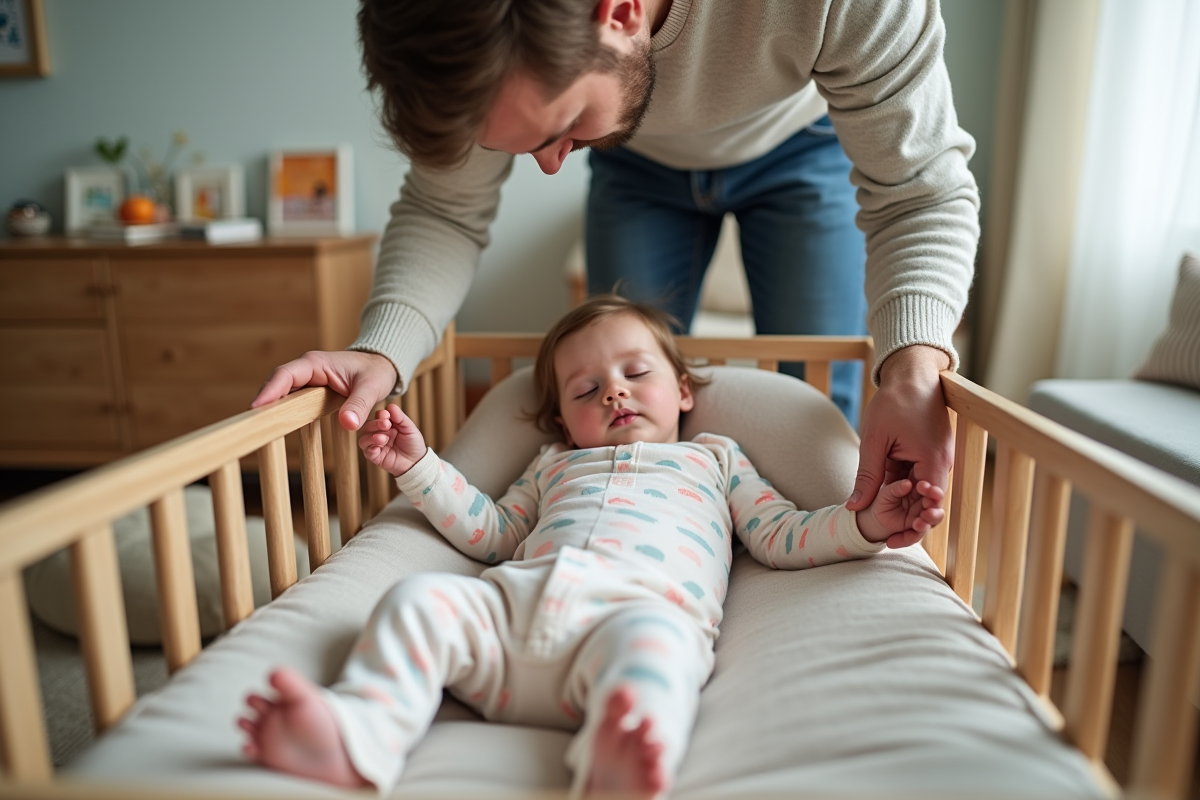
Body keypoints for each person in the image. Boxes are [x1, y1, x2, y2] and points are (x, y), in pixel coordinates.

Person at [252, 0, 978, 549]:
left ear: (622, 11)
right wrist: (383, 349)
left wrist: (912, 369)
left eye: (557, 128)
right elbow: (445, 210)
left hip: (801, 138)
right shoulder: (491, 33)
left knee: (828, 399)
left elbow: (921, 191)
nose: (548, 163)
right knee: (611, 349)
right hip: (635, 161)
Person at [239, 295, 946, 797]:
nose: (614, 393)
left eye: (636, 374)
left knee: (659, 655)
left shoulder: (715, 460)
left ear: (684, 392)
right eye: (587, 389)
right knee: (419, 599)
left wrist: (866, 524)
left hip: (633, 620)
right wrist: (417, 466)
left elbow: (783, 533)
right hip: (509, 619)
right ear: (561, 422)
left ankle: (621, 754)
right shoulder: (551, 465)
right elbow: (491, 533)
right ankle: (359, 731)